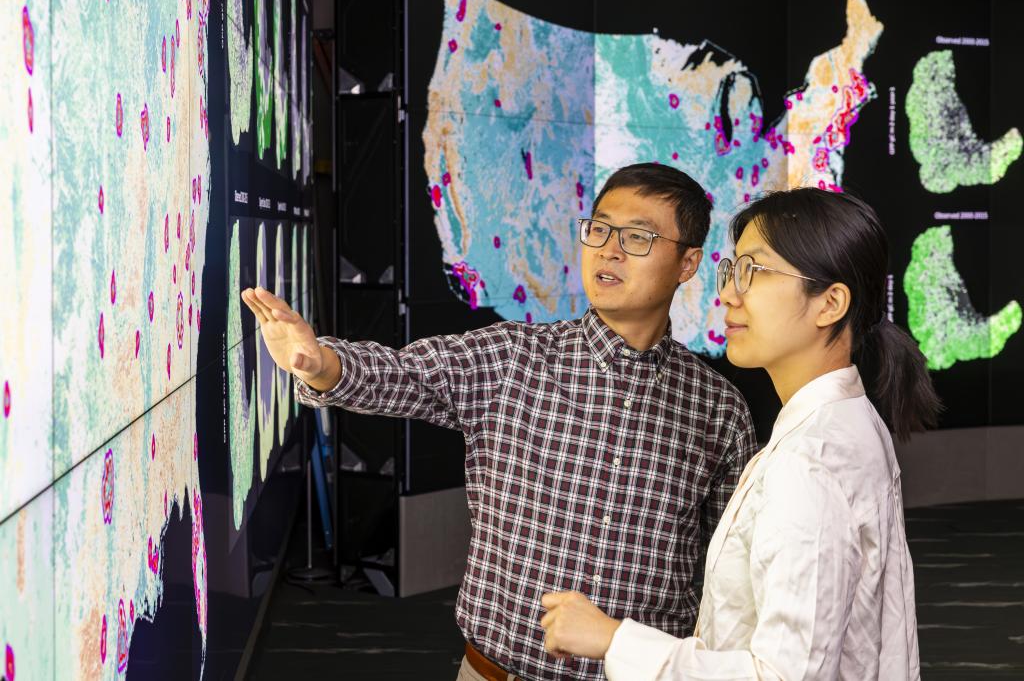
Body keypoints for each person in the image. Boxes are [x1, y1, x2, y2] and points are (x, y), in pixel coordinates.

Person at [241, 163, 758, 681]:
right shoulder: (514, 357)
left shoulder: (719, 409)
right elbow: (404, 373)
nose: (609, 249)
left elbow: (727, 577)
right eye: (599, 229)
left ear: (688, 263)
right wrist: (323, 363)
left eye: (638, 237)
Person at [539, 187, 940, 680]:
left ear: (830, 303)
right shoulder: (851, 421)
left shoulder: (807, 463)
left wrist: (614, 640)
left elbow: (782, 676)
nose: (727, 293)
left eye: (755, 271)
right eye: (732, 270)